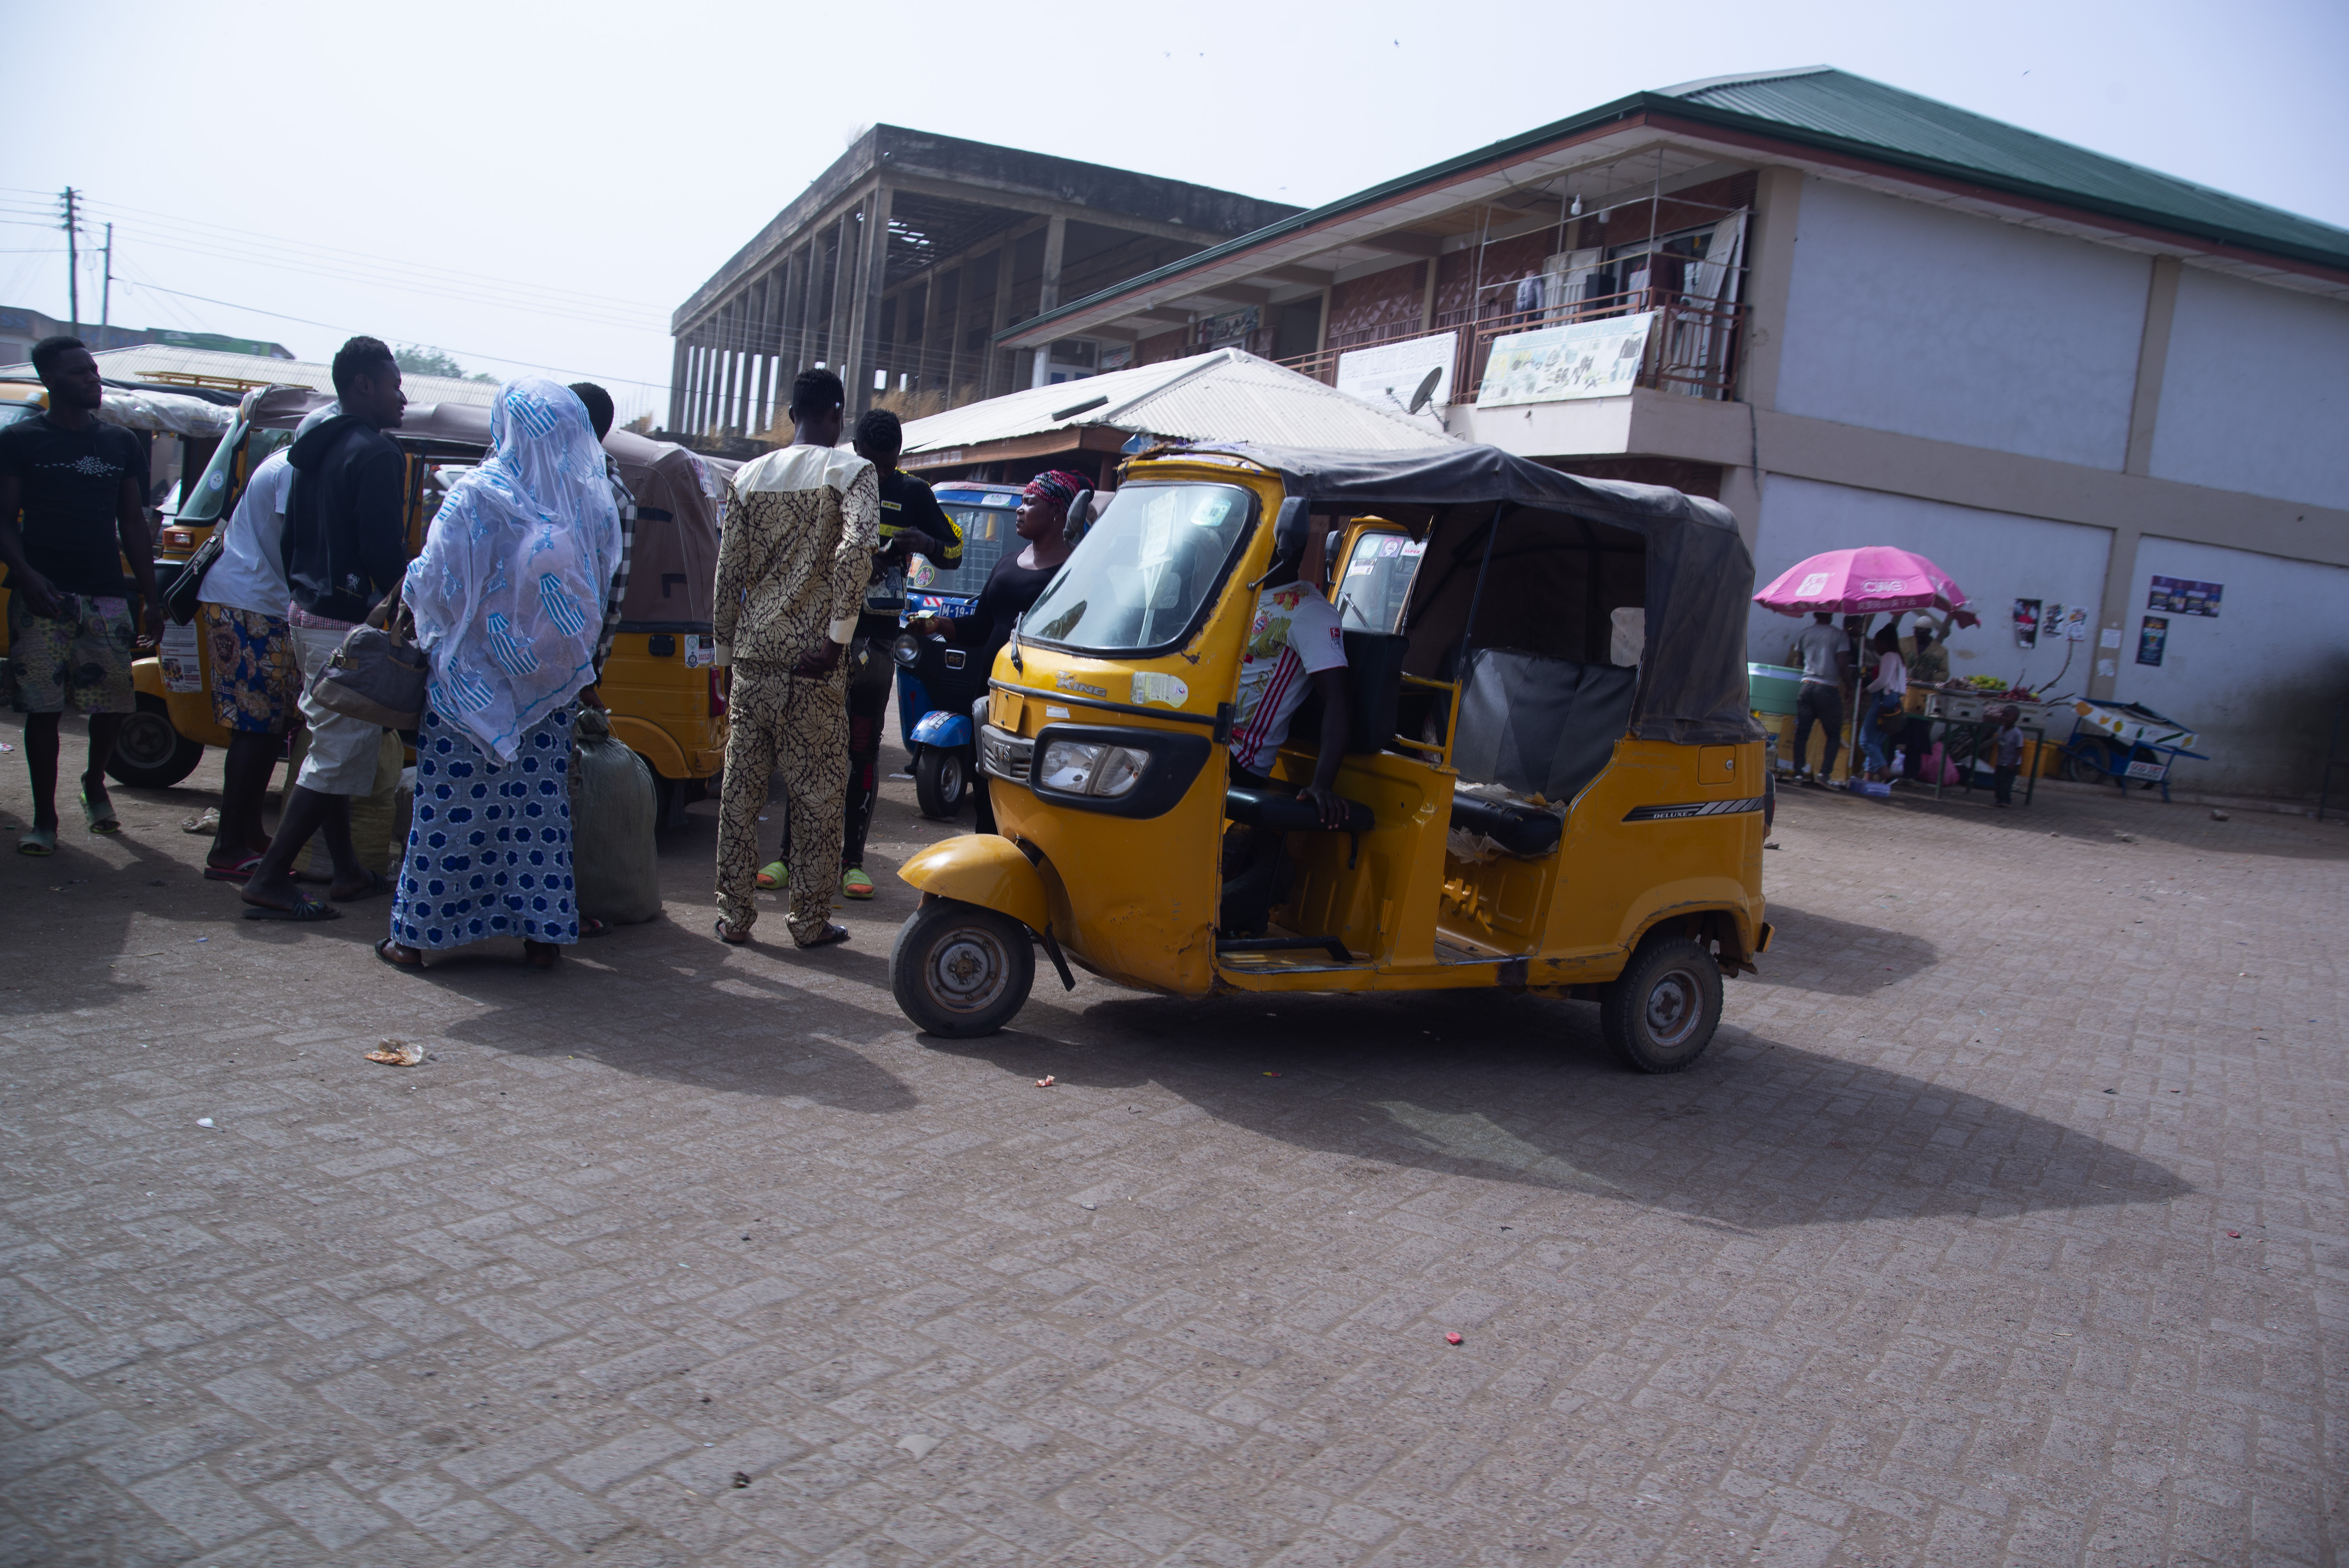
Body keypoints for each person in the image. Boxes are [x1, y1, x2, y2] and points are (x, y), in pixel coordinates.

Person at [376, 379, 621, 973]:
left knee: (451, 807)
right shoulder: (589, 500)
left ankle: (418, 937)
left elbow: (433, 583)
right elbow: (603, 586)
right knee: (537, 814)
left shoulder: (477, 494)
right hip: (548, 685)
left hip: (473, 686)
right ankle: (543, 935)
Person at [757, 408, 960, 900]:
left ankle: (852, 863)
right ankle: (789, 856)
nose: (881, 475)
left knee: (860, 750)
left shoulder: (913, 492)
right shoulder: (831, 481)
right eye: (874, 465)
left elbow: (952, 551)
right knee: (807, 746)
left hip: (876, 642)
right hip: (821, 636)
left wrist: (925, 541)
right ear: (856, 453)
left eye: (890, 466)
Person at [237, 337, 408, 919]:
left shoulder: (310, 447)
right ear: (365, 386)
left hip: (306, 614)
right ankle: (268, 878)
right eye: (394, 384)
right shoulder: (378, 454)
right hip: (347, 624)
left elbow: (290, 541)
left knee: (334, 743)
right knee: (337, 752)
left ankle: (348, 870)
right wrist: (405, 610)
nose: (401, 397)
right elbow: (385, 552)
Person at [711, 369, 878, 950]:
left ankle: (735, 917)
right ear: (836, 416)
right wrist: (836, 638)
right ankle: (808, 922)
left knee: (740, 793)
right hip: (814, 664)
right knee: (818, 797)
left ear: (791, 415)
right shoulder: (853, 472)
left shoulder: (748, 476)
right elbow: (858, 549)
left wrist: (726, 657)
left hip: (754, 658)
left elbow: (728, 571)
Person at [0, 336, 162, 855]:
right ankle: (45, 818)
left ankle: (95, 782)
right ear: (50, 381)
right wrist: (25, 574)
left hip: (106, 595)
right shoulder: (22, 441)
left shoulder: (120, 442)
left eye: (94, 371)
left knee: (112, 703)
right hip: (42, 595)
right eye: (79, 373)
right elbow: (4, 518)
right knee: (43, 710)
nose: (93, 379)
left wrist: (151, 597)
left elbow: (134, 522)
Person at [911, 469, 1080, 836]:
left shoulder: (1074, 573)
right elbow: (981, 626)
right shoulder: (1007, 562)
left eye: (1030, 503)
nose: (1020, 510)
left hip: (1036, 698)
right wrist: (939, 625)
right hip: (990, 695)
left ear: (1057, 513)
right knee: (986, 780)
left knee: (1028, 789)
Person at [1219, 526, 1352, 935]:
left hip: (1239, 754)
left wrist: (1322, 783)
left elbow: (1339, 700)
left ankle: (1258, 881)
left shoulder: (1309, 611)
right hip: (1210, 736)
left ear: (1282, 543)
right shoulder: (1242, 593)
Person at [195, 438, 304, 879]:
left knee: (270, 725)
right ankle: (228, 846)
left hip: (262, 602)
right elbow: (295, 543)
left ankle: (248, 831)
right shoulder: (292, 469)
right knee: (255, 727)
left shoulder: (290, 463)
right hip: (251, 602)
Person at [1789, 610, 1846, 786]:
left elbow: (1799, 661)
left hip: (1806, 686)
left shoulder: (1805, 633)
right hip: (1828, 688)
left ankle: (1798, 774)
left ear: (1815, 614)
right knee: (1834, 734)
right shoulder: (1839, 635)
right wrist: (1850, 686)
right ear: (1831, 614)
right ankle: (1824, 775)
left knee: (1802, 733)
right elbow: (1843, 663)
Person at [1855, 625, 1907, 780]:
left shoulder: (1889, 656)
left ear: (1886, 643)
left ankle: (1886, 774)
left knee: (1865, 741)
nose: (1876, 648)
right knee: (1876, 742)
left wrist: (1866, 691)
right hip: (1894, 700)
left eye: (1877, 644)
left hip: (1883, 699)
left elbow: (1882, 681)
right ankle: (1868, 777)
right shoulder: (1899, 657)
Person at [1992, 704, 2024, 807]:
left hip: (2011, 763)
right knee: (1998, 782)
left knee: (2006, 783)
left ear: (2015, 719)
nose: (2004, 718)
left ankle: (2006, 801)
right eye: (2003, 716)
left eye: (2007, 717)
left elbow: (2019, 749)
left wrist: (2013, 763)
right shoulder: (2001, 730)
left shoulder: (2017, 733)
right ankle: (1999, 800)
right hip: (2001, 762)